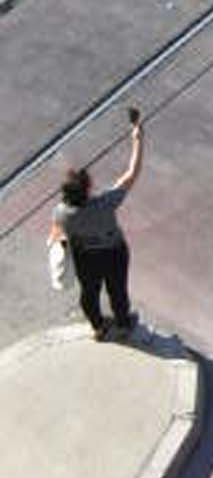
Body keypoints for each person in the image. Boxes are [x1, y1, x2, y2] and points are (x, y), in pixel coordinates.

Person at [53, 110, 144, 339]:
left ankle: (98, 326)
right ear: (88, 189)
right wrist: (137, 139)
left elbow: (58, 232)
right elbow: (131, 173)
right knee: (117, 290)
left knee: (89, 293)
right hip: (113, 252)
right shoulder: (105, 204)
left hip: (85, 256)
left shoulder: (62, 212)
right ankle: (123, 323)